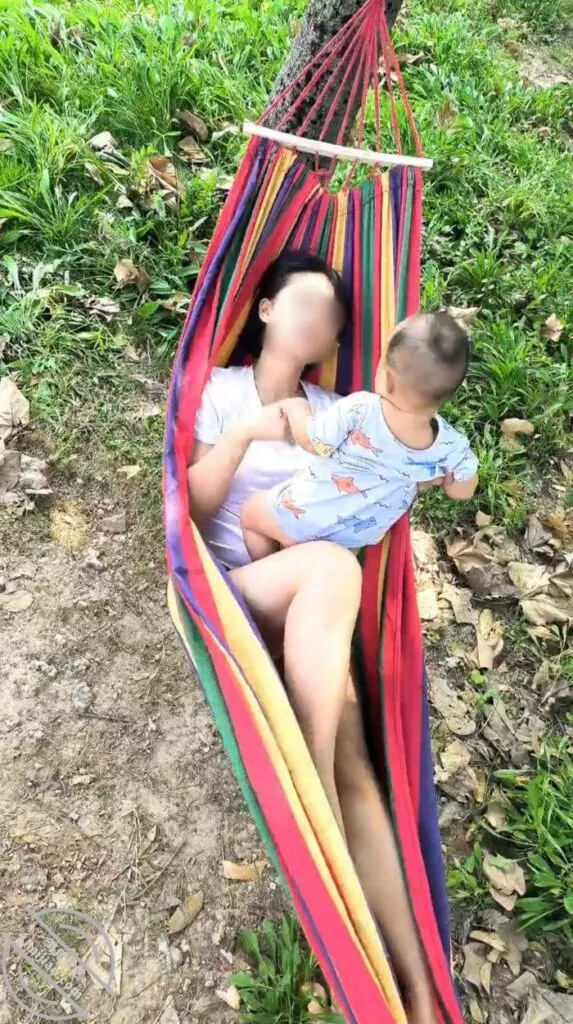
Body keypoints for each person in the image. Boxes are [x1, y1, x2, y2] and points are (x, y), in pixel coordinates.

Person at [187, 250, 442, 1024]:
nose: (316, 321)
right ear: (264, 310)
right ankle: (312, 778)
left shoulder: (343, 413)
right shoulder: (217, 391)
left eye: (329, 317)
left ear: (334, 341)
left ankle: (413, 988)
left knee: (362, 772)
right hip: (237, 598)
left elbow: (389, 484)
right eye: (301, 303)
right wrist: (246, 435)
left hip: (318, 615)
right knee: (329, 566)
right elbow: (190, 511)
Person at [240, 312, 478, 561]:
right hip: (350, 541)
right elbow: (463, 490)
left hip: (302, 517)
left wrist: (297, 409)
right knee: (313, 565)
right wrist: (447, 482)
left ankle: (265, 569)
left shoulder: (361, 409)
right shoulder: (450, 446)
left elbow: (314, 442)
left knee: (250, 514)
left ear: (387, 379)